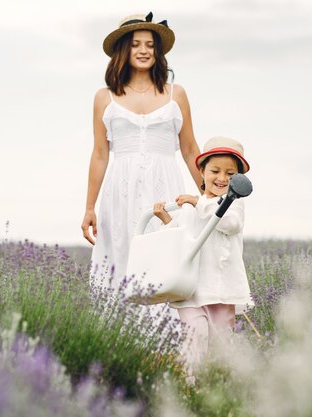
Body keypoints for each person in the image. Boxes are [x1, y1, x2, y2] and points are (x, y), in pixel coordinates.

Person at [81, 12, 201, 290]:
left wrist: (208, 197)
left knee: (167, 259)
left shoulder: (176, 94)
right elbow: (100, 154)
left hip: (165, 188)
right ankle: (120, 333)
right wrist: (89, 207)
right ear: (124, 49)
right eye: (136, 44)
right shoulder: (104, 97)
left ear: (157, 52)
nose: (144, 50)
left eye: (149, 44)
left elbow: (190, 149)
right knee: (122, 259)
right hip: (120, 192)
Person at [153, 136, 254, 379]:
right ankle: (191, 383)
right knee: (195, 333)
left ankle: (218, 387)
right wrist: (166, 220)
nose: (221, 178)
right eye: (215, 171)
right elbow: (178, 238)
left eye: (230, 174)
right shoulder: (190, 207)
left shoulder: (234, 205)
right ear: (202, 171)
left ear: (238, 180)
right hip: (191, 287)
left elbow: (229, 223)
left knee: (221, 344)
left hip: (221, 288)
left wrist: (198, 201)